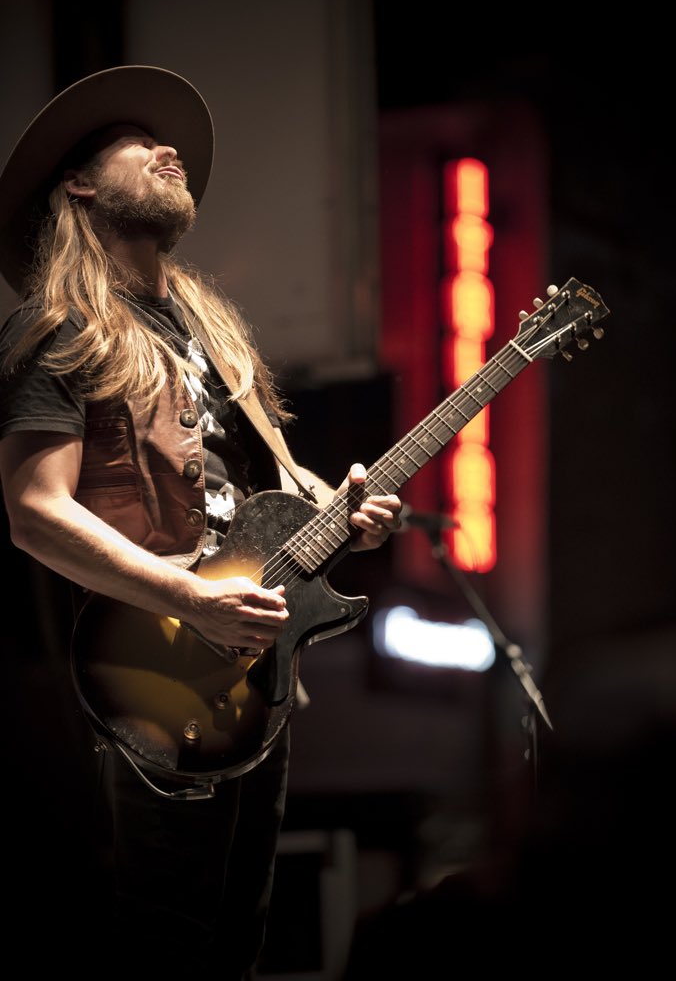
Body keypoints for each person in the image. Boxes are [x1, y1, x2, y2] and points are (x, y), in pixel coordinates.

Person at [0, 65, 401, 976]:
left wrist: (343, 511)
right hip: (151, 665)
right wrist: (189, 596)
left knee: (238, 933)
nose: (170, 149)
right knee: (165, 936)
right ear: (79, 183)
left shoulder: (206, 336)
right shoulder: (60, 330)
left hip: (250, 668)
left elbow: (260, 491)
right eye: (141, 144)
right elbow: (33, 511)